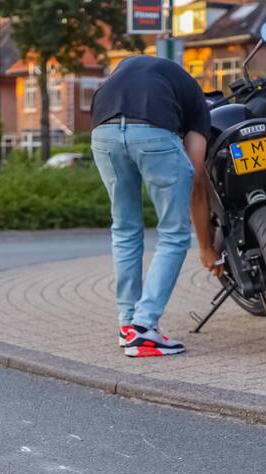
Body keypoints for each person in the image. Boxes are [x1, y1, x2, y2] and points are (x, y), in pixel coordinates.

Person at [90, 55, 219, 358]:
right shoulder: (195, 98)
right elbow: (196, 175)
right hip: (153, 131)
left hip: (103, 131)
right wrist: (205, 246)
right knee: (174, 233)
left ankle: (127, 324)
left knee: (124, 228)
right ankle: (145, 328)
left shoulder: (122, 75)